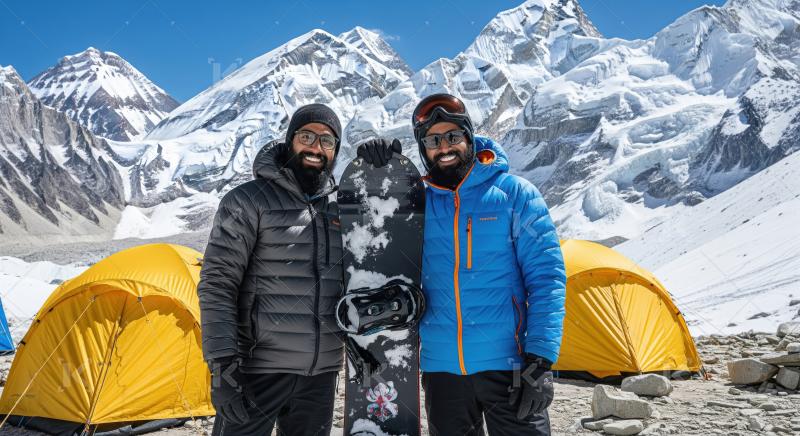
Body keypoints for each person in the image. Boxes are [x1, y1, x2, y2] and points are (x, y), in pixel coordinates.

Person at [357, 93, 566, 435]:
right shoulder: (414, 205)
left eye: (452, 136)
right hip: (442, 373)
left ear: (469, 137)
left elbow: (547, 280)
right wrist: (377, 174)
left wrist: (540, 361)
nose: (444, 147)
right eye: (433, 140)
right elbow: (361, 235)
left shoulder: (515, 195)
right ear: (423, 149)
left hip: (510, 367)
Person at [198, 103, 345, 436]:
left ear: (335, 150)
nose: (315, 147)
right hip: (255, 371)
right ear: (290, 141)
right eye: (307, 136)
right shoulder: (248, 201)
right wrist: (223, 367)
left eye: (327, 140)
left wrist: (383, 171)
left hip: (320, 376)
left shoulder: (339, 209)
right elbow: (217, 285)